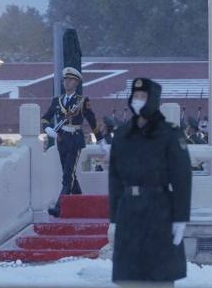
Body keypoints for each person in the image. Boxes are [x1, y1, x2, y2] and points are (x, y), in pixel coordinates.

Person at [108, 78, 192, 285]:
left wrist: (181, 218)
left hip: (159, 209)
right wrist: (114, 216)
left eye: (143, 97)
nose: (138, 101)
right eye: (135, 96)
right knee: (129, 276)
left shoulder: (169, 133)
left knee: (159, 275)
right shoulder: (122, 135)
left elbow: (182, 177)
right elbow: (114, 178)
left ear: (153, 100)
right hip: (129, 210)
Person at [41, 67, 106, 218]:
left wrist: (100, 140)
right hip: (62, 140)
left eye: (70, 80)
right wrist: (48, 129)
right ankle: (83, 203)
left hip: (75, 140)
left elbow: (92, 121)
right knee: (69, 174)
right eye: (65, 80)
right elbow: (45, 118)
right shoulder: (57, 100)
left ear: (76, 82)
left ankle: (59, 206)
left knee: (68, 174)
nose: (67, 82)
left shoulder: (82, 101)